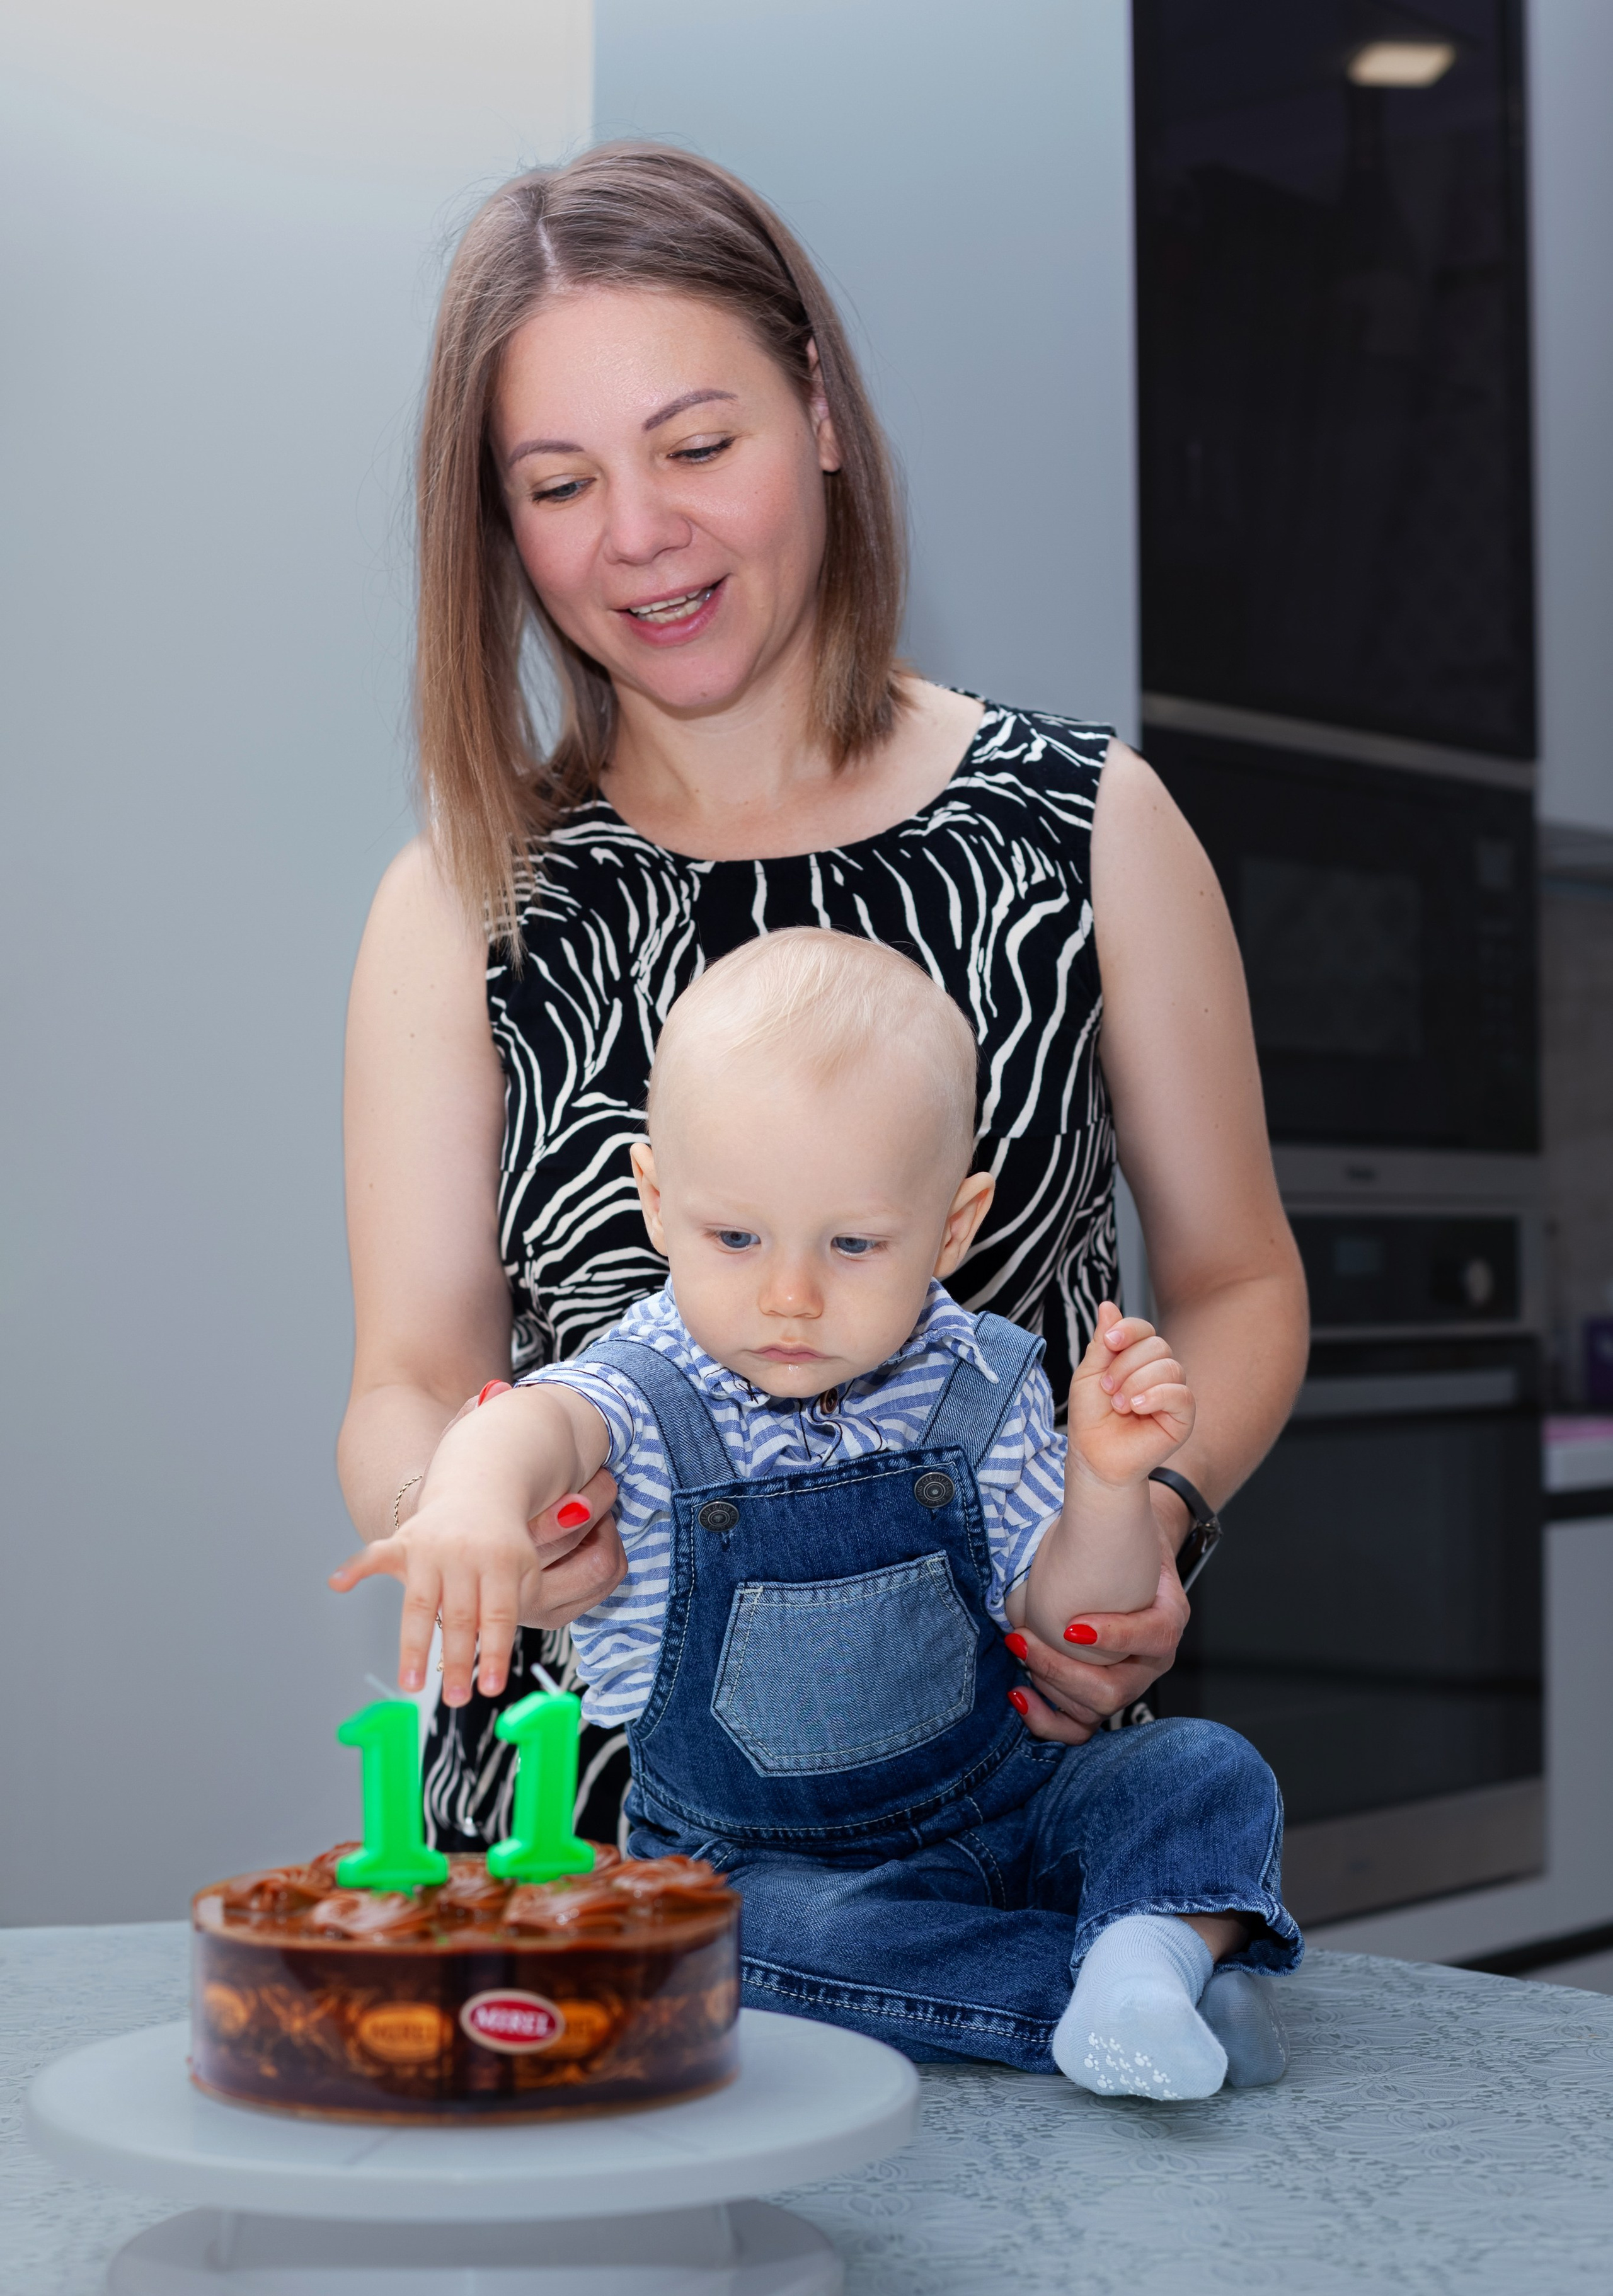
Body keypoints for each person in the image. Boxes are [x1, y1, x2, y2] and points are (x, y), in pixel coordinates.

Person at [336, 141, 1309, 1858]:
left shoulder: (1086, 825)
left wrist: (1143, 1516)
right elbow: (413, 1374)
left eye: (699, 446)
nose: (640, 536)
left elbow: (1236, 1281)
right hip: (580, 1837)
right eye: (557, 485)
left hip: (987, 1799)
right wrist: (484, 1518)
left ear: (820, 413)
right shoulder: (462, 900)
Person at [335, 931, 1299, 2097]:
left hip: (1012, 1808)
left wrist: (1103, 1481)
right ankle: (1130, 1981)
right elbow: (534, 1425)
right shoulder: (650, 1383)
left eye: (853, 1244)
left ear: (952, 1225)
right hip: (766, 1869)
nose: (789, 1295)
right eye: (735, 1238)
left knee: (1206, 1770)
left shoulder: (980, 1383)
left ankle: (1142, 1954)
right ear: (654, 1198)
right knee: (755, 1942)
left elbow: (1071, 1616)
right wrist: (473, 1503)